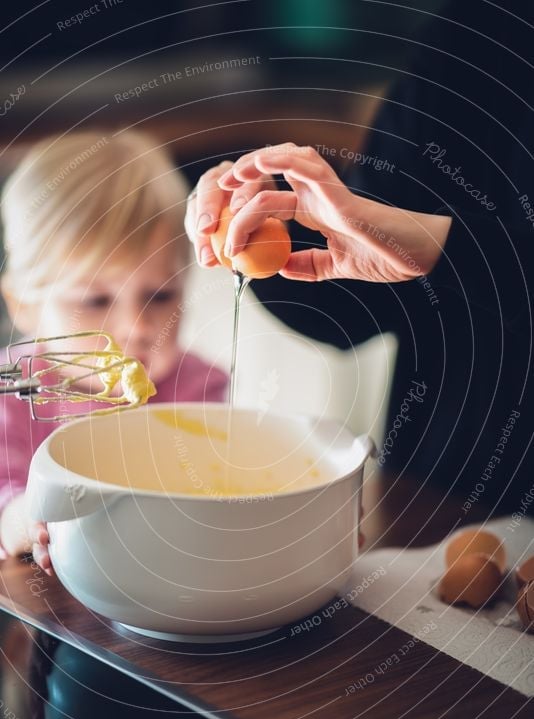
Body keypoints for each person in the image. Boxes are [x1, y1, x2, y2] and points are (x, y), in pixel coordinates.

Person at [186, 0, 534, 518]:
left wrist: (445, 245)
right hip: (439, 501)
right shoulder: (476, 35)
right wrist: (275, 224)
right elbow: (354, 304)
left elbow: (425, 249)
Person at [0, 130, 227, 572]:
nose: (136, 327)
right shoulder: (13, 394)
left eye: (160, 296)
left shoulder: (200, 388)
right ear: (24, 305)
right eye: (95, 301)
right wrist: (23, 516)